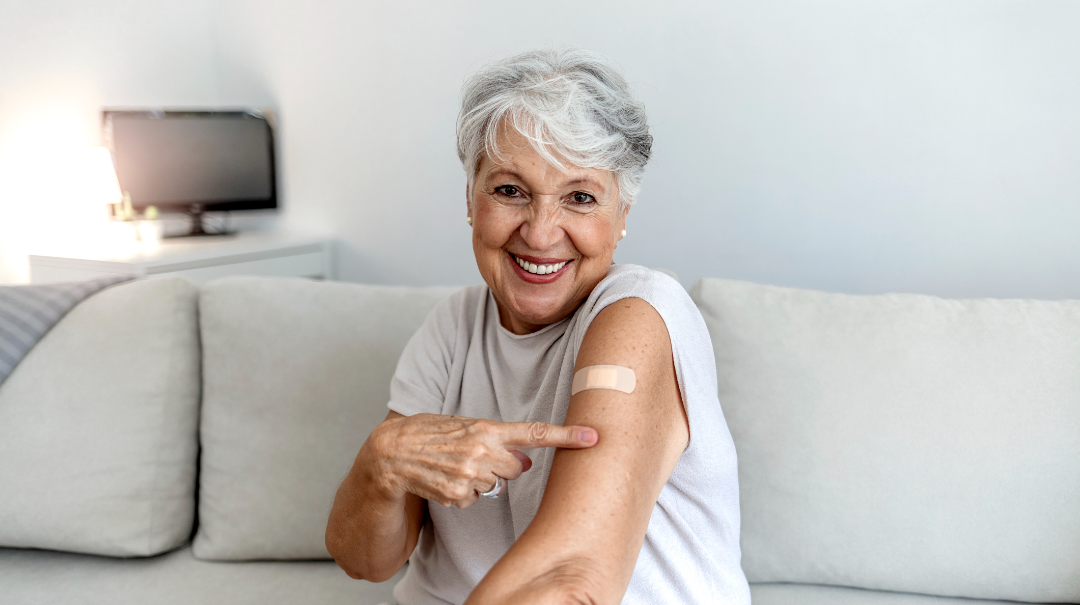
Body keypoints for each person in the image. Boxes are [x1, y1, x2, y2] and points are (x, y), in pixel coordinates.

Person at [326, 48, 750, 605]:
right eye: (510, 191)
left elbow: (571, 577)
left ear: (621, 216)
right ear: (471, 201)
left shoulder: (639, 314)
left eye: (579, 198)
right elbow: (367, 562)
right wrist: (382, 461)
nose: (542, 233)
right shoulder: (451, 329)